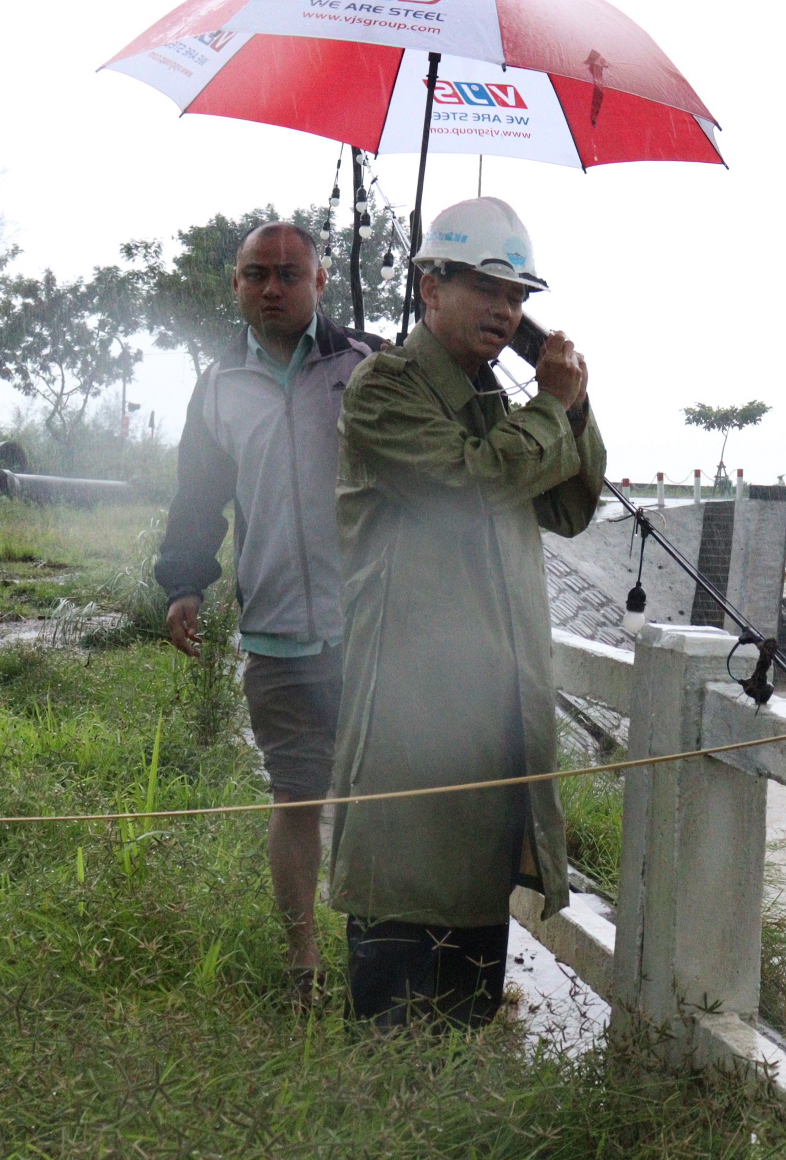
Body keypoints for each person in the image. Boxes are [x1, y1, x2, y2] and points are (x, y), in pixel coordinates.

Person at [326, 197, 606, 1029]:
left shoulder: (495, 400)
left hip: (489, 722)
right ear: (428, 288)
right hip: (410, 726)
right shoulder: (384, 390)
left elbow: (573, 504)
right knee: (398, 989)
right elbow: (475, 484)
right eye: (483, 285)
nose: (503, 308)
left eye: (517, 296)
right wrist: (548, 409)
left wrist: (574, 399)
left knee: (470, 997)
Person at [153, 222, 384, 1006]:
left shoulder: (368, 367)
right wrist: (185, 582)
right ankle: (303, 965)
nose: (273, 288)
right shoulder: (218, 386)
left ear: (322, 281)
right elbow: (198, 496)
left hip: (372, 627)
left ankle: (379, 958)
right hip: (278, 629)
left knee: (376, 797)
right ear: (236, 284)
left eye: (289, 273)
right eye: (257, 274)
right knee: (297, 796)